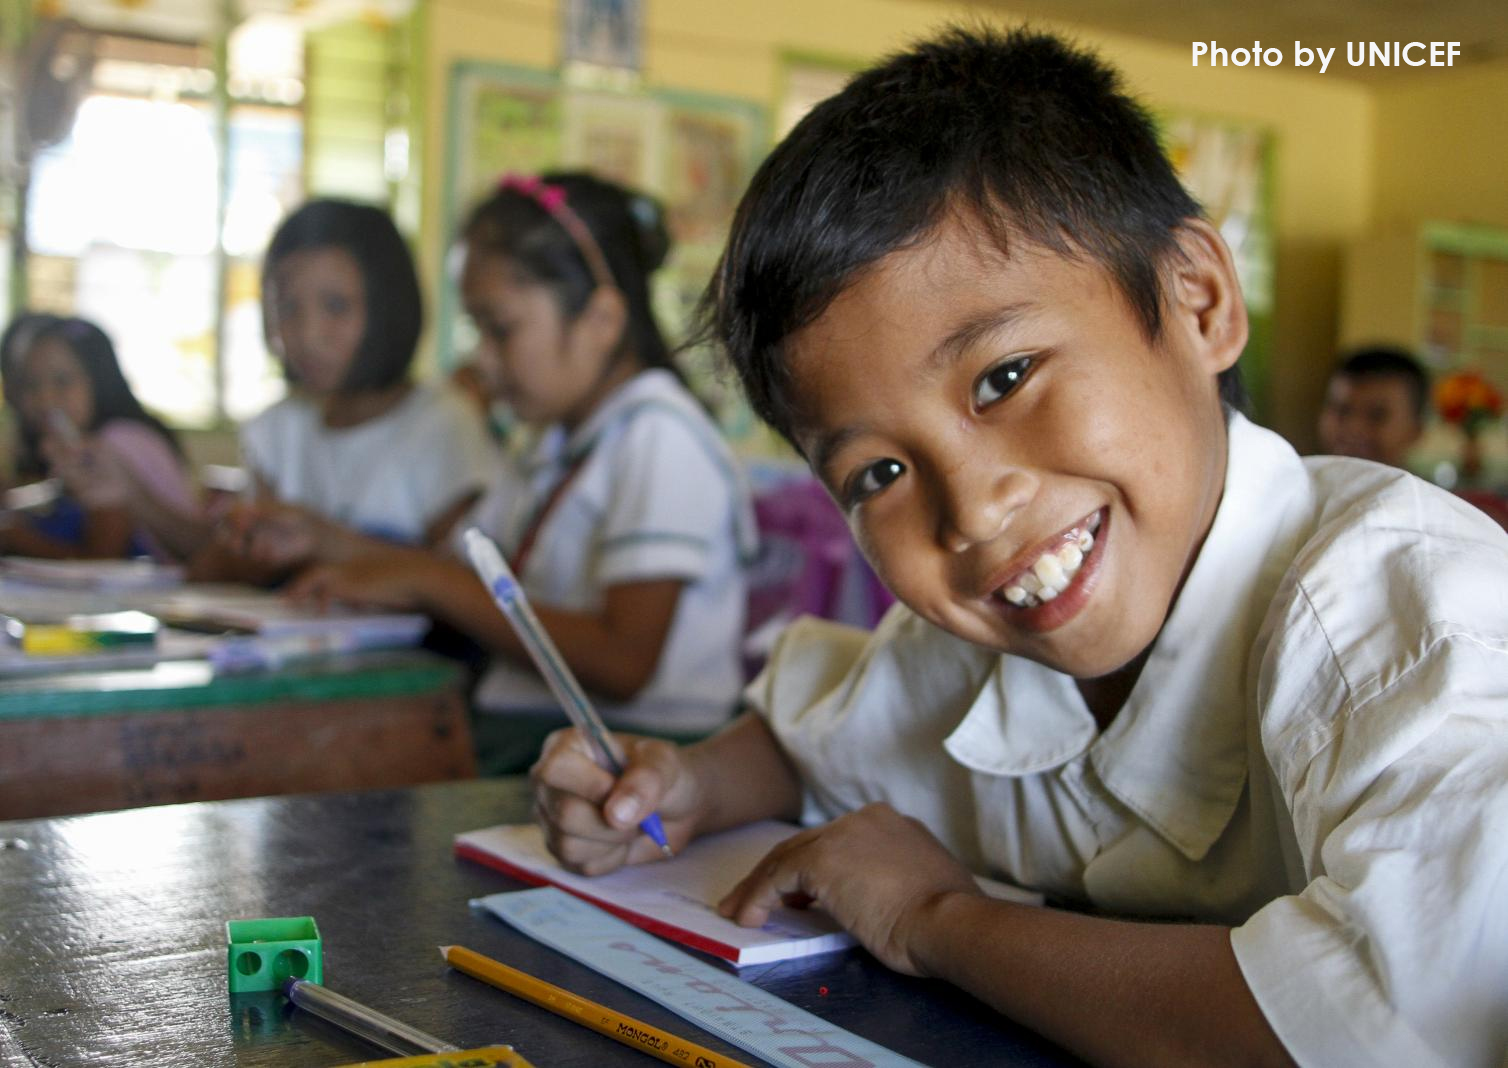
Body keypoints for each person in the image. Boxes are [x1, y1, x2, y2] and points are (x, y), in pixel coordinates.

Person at [532, 28, 1508, 1068]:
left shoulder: (1402, 613)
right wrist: (678, 791)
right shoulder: (985, 646)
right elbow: (817, 736)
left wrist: (939, 921)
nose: (973, 515)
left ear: (1197, 301)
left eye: (1002, 378)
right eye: (879, 473)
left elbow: (1379, 1030)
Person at [292, 173, 756, 774]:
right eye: (475, 330)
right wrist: (328, 543)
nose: (480, 359)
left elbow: (624, 662)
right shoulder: (557, 439)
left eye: (500, 329)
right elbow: (462, 566)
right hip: (538, 738)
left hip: (633, 756)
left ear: (601, 320)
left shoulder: (659, 437)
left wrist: (427, 582)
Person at [195, 198, 499, 578]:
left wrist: (324, 542)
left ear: (388, 306)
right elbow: (234, 568)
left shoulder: (443, 425)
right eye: (288, 308)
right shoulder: (275, 430)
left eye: (336, 306)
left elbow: (463, 581)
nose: (308, 334)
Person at [0, 314, 199, 559]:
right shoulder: (78, 443)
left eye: (62, 381)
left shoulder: (114, 443)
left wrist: (14, 538)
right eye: (31, 385)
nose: (45, 398)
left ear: (99, 380)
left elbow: (102, 559)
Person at [1315, 345, 1428, 468]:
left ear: (1415, 431)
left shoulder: (1419, 488)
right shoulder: (1296, 483)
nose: (1354, 428)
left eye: (1376, 416)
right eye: (1342, 411)